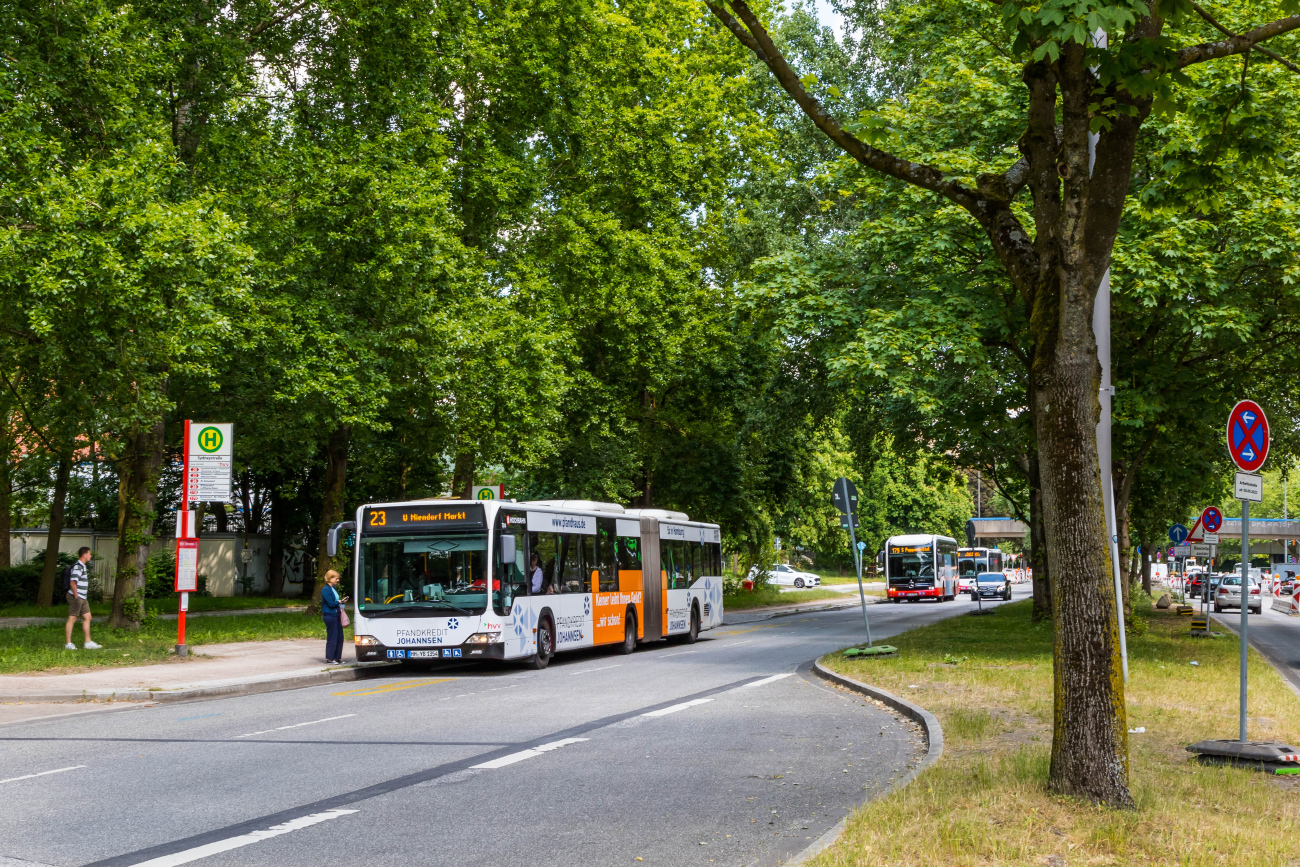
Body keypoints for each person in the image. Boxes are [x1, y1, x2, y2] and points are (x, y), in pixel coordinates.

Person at [65, 547, 101, 650]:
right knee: (72, 618)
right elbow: (72, 582)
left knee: (87, 617)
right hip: (77, 596)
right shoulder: (78, 567)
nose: (90, 556)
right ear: (84, 554)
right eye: (89, 554)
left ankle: (88, 642)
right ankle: (68, 644)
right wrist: (76, 596)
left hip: (82, 597)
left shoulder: (82, 566)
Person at [321, 569, 349, 664]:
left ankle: (337, 657)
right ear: (330, 578)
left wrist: (341, 601)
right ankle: (330, 658)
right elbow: (331, 603)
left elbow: (335, 602)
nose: (338, 580)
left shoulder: (333, 589)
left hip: (336, 614)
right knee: (332, 637)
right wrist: (340, 602)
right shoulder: (326, 589)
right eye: (336, 578)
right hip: (330, 615)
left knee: (339, 637)